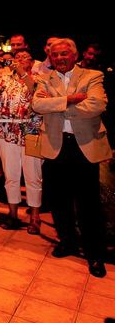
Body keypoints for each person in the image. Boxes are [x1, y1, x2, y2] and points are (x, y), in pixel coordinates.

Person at [32, 38, 111, 278]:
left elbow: (97, 105)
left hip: (83, 146)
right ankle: (67, 241)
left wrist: (55, 104)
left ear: (74, 55)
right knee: (59, 200)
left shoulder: (92, 75)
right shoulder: (45, 78)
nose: (59, 58)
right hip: (56, 146)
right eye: (55, 55)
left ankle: (94, 253)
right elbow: (37, 104)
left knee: (89, 204)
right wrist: (72, 99)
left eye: (64, 53)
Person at [0, 49, 43, 233]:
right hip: (7, 129)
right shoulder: (3, 80)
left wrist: (23, 73)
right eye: (17, 58)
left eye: (24, 57)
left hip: (31, 131)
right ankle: (13, 214)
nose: (19, 60)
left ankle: (35, 217)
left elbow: (35, 93)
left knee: (33, 176)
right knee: (11, 174)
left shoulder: (40, 79)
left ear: (32, 61)